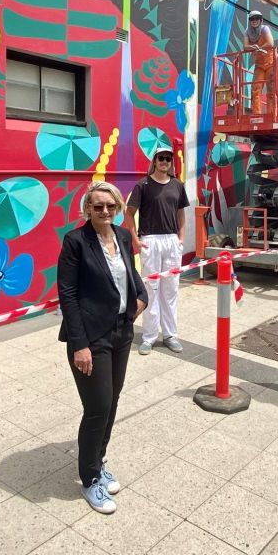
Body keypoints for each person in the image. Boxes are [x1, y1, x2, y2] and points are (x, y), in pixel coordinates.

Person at [58, 181, 148, 514]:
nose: (105, 211)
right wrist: (79, 345)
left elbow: (131, 274)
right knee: (97, 407)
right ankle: (89, 479)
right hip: (91, 338)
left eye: (110, 206)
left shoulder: (123, 235)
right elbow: (67, 295)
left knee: (112, 401)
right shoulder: (76, 242)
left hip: (121, 333)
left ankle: (98, 460)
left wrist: (142, 298)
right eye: (98, 207)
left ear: (118, 208)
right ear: (87, 210)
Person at [126, 148, 190, 355]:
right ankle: (149, 336)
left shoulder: (177, 185)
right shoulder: (142, 185)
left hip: (171, 240)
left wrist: (181, 238)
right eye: (161, 158)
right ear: (154, 161)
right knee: (151, 290)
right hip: (150, 240)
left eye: (168, 159)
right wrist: (135, 238)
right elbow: (130, 212)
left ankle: (171, 335)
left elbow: (181, 213)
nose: (165, 162)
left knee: (171, 290)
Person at [243, 8, 276, 113]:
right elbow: (245, 47)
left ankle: (272, 114)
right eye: (252, 19)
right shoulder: (247, 32)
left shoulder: (265, 29)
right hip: (259, 65)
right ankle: (256, 114)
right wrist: (255, 48)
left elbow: (270, 43)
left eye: (257, 18)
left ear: (260, 20)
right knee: (255, 89)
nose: (254, 20)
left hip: (270, 62)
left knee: (271, 89)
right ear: (250, 21)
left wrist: (257, 48)